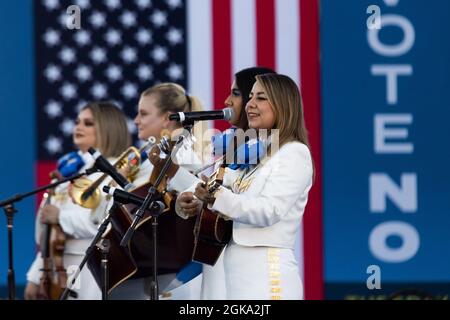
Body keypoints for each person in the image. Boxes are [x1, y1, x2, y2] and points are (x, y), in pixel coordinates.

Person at [178, 73, 313, 300]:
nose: (250, 104)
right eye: (250, 96)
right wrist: (193, 198)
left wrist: (215, 196)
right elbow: (220, 184)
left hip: (268, 276)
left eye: (261, 98)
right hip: (237, 278)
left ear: (283, 105)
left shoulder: (294, 153)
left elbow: (269, 211)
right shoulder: (256, 152)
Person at [175, 67, 276, 300]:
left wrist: (209, 195)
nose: (226, 101)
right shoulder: (233, 143)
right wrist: (188, 200)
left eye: (236, 94)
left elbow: (250, 202)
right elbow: (210, 184)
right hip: (215, 261)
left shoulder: (274, 148)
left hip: (250, 267)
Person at [106, 82, 207, 300]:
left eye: (143, 113)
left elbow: (186, 212)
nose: (136, 120)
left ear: (167, 118)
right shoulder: (148, 160)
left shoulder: (183, 156)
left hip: (165, 280)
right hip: (139, 272)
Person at [24, 102, 131, 300]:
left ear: (108, 128)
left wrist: (61, 216)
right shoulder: (68, 170)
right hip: (58, 269)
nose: (78, 127)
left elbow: (107, 226)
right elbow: (49, 235)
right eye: (77, 121)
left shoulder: (118, 172)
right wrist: (35, 275)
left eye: (88, 123)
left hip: (92, 266)